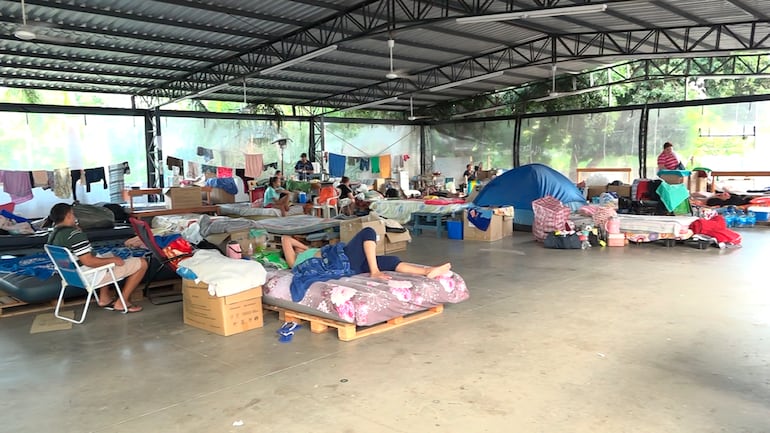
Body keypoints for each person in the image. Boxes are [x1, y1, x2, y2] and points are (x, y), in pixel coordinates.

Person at [281, 227, 451, 301]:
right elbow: (285, 239)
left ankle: (427, 271)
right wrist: (303, 250)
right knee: (367, 232)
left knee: (391, 261)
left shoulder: (308, 253)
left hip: (349, 266)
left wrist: (306, 248)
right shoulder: (295, 262)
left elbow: (294, 243)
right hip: (340, 261)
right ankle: (375, 271)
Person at [46, 203, 147, 313]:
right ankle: (122, 302)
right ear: (69, 215)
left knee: (110, 255)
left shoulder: (53, 235)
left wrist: (111, 258)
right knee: (142, 263)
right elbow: (89, 261)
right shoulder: (74, 235)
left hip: (71, 276)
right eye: (73, 214)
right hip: (89, 275)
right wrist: (113, 261)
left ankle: (104, 298)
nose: (75, 217)